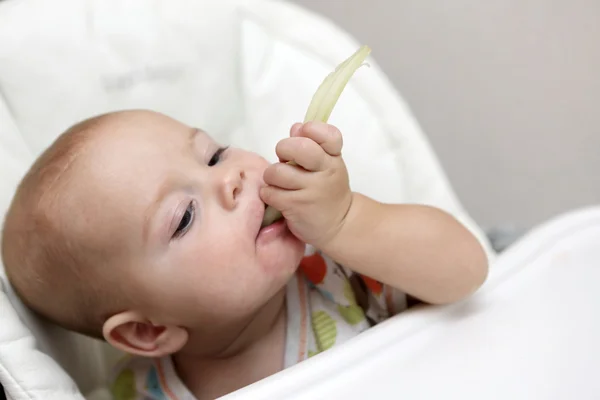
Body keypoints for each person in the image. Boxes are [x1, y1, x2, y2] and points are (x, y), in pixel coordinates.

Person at [1, 110, 488, 400]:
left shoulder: (341, 273)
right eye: (185, 217)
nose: (229, 178)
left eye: (214, 154)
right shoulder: (141, 394)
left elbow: (467, 270)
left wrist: (347, 220)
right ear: (147, 331)